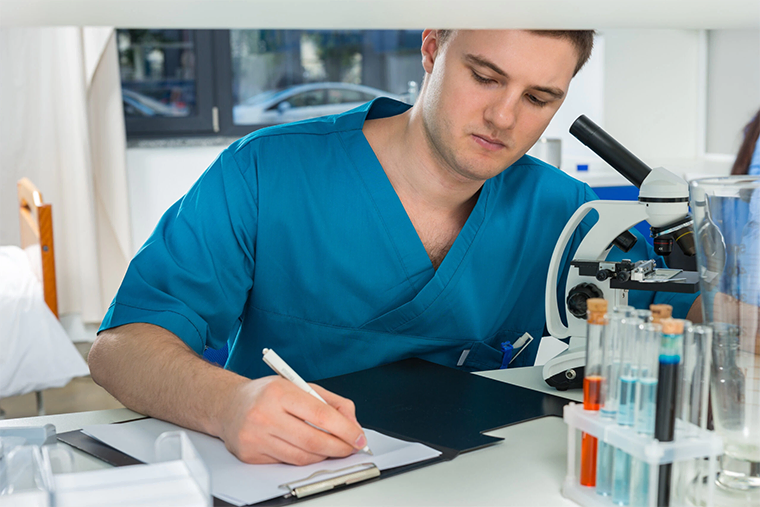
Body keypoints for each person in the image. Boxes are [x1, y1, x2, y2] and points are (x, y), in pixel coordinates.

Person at [89, 30, 700, 466]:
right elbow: (121, 349)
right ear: (432, 49)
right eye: (485, 76)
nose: (504, 116)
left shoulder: (569, 217)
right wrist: (227, 403)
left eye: (539, 98)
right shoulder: (267, 173)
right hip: (284, 477)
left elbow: (675, 326)